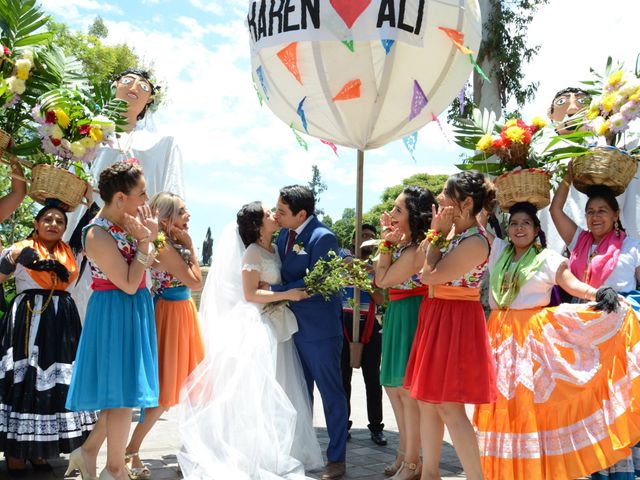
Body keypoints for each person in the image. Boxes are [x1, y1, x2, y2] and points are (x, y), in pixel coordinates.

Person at [475, 201, 640, 480]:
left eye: (526, 223)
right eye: (514, 223)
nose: (519, 228)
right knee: (501, 404)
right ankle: (505, 472)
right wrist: (486, 203)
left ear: (536, 229)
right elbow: (478, 225)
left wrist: (598, 294)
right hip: (497, 336)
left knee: (530, 406)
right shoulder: (499, 252)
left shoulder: (547, 258)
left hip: (531, 341)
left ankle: (535, 471)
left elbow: (571, 283)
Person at [178, 201, 322, 479]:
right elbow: (250, 294)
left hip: (277, 324)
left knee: (280, 387)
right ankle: (253, 450)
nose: (274, 216)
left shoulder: (276, 249)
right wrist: (288, 294)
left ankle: (280, 447)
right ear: (257, 225)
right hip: (257, 325)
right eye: (269, 214)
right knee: (257, 393)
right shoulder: (252, 252)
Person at [64, 162, 160, 480]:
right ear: (120, 197)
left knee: (124, 394)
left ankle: (91, 455)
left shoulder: (123, 226)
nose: (146, 199)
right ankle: (114, 469)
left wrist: (146, 241)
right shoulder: (97, 233)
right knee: (121, 397)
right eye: (141, 193)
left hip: (133, 310)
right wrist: (146, 242)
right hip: (115, 313)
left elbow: (144, 268)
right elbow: (130, 282)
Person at [65, 69, 185, 321]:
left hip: (138, 229)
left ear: (150, 100)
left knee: (131, 301)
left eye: (144, 86)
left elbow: (171, 193)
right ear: (115, 85)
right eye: (128, 81)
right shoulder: (89, 131)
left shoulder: (163, 140)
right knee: (76, 300)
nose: (134, 87)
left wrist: (158, 236)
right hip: (91, 222)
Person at [404, 171, 497, 480]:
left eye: (446, 194)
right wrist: (436, 234)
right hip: (438, 313)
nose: (440, 199)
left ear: (466, 202)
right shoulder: (455, 234)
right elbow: (422, 263)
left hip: (456, 319)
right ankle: (430, 474)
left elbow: (428, 275)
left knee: (450, 407)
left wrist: (437, 236)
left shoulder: (476, 241)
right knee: (428, 402)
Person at [551, 171, 640, 480]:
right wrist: (567, 176)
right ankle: (593, 468)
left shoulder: (632, 246)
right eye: (590, 211)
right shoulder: (579, 241)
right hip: (583, 337)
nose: (594, 216)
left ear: (616, 215)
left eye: (602, 210)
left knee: (616, 402)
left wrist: (623, 305)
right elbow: (554, 210)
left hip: (618, 337)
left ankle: (621, 471)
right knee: (587, 402)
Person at [0, 201, 96, 476]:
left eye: (60, 222)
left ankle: (40, 449)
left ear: (65, 228)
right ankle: (16, 451)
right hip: (29, 320)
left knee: (53, 385)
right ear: (37, 224)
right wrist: (11, 259)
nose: (54, 224)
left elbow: (95, 219)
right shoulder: (19, 249)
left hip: (62, 322)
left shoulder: (70, 254)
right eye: (48, 219)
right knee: (26, 379)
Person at [123, 192, 205, 479]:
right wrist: (192, 246)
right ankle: (130, 449)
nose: (189, 216)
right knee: (164, 393)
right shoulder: (164, 247)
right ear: (167, 218)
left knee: (181, 388)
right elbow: (195, 281)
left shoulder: (166, 244)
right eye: (183, 211)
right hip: (171, 313)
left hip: (181, 312)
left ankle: (138, 449)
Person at [272, 185, 348, 480]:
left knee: (331, 394)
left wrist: (271, 292)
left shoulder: (323, 236)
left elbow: (317, 285)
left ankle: (337, 457)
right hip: (291, 328)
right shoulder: (282, 236)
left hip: (320, 331)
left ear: (301, 213)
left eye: (281, 211)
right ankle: (304, 451)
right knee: (299, 394)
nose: (276, 215)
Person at [374, 186, 437, 480]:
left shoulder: (415, 249)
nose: (392, 215)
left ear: (414, 214)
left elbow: (382, 279)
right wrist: (388, 243)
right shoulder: (405, 244)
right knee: (395, 388)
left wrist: (385, 245)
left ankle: (413, 462)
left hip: (413, 313)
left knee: (408, 392)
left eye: (399, 210)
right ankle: (404, 452)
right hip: (399, 313)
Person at [339, 224, 386, 446]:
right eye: (363, 236)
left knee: (373, 380)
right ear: (355, 240)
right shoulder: (342, 260)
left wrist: (366, 283)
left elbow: (381, 300)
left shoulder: (380, 267)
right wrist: (359, 270)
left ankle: (376, 427)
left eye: (370, 237)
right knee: (342, 379)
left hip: (369, 324)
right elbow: (344, 262)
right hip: (344, 324)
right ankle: (342, 424)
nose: (367, 239)